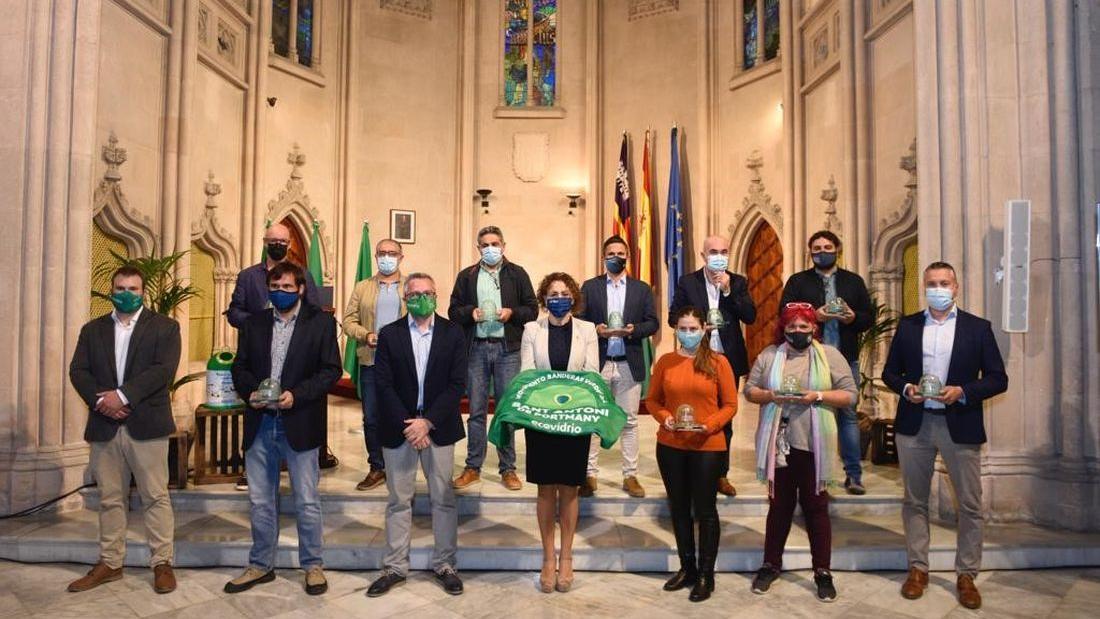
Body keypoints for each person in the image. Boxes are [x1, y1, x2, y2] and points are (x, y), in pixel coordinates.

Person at [882, 261, 1008, 610]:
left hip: (960, 423)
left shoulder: (978, 328)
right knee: (914, 501)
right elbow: (890, 372)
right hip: (915, 424)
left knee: (969, 504)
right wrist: (907, 389)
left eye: (944, 283)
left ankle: (966, 575)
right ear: (925, 288)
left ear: (956, 288)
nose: (938, 289)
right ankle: (918, 569)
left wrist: (964, 391)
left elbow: (999, 377)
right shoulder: (908, 326)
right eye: (932, 284)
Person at [225, 262, 342, 596]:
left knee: (306, 500)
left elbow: (331, 370)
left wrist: (297, 396)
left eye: (288, 287)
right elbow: (240, 366)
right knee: (261, 500)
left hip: (299, 421)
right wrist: (250, 393)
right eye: (275, 286)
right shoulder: (256, 323)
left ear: (301, 289)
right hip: (261, 422)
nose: (281, 292)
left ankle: (313, 565)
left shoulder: (320, 322)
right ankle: (260, 565)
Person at [67, 266, 181, 594]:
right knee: (110, 499)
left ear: (143, 291)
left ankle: (162, 563)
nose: (126, 294)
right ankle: (110, 563)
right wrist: (102, 401)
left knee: (155, 496)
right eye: (120, 288)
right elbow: (78, 370)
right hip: (105, 424)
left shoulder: (165, 327)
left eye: (133, 288)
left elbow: (163, 371)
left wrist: (122, 395)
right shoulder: (92, 330)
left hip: (146, 424)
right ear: (111, 290)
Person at [744, 302, 857, 603]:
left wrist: (817, 396)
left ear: (813, 329)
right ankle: (770, 565)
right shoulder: (770, 356)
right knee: (778, 506)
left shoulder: (829, 355)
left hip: (814, 443)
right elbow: (750, 390)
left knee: (816, 508)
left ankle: (822, 571)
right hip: (779, 444)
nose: (797, 332)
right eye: (791, 327)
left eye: (803, 327)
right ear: (783, 329)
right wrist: (771, 395)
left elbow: (850, 394)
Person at [368, 273, 468, 598]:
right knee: (399, 500)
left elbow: (457, 385)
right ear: (405, 299)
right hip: (400, 429)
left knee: (443, 498)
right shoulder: (389, 334)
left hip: (439, 428)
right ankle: (395, 567)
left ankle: (445, 565)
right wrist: (410, 424)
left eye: (426, 292)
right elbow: (382, 384)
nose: (420, 298)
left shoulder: (453, 333)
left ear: (436, 295)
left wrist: (428, 423)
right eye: (414, 294)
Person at [645, 306, 738, 602]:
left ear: (704, 329)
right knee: (679, 507)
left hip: (707, 446)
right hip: (671, 444)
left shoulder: (718, 362)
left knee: (706, 511)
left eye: (693, 328)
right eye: (683, 329)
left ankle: (706, 575)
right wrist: (665, 418)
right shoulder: (666, 362)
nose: (688, 334)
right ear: (676, 331)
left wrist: (709, 425)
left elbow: (731, 404)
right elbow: (652, 400)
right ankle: (688, 568)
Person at [226, 222, 321, 490]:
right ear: (265, 242)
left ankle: (294, 465)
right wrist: (261, 322)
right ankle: (253, 469)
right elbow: (234, 311)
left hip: (294, 359)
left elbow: (313, 310)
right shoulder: (248, 276)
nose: (277, 244)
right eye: (272, 240)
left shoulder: (302, 273)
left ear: (289, 244)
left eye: (282, 240)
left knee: (295, 415)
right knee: (258, 416)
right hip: (257, 357)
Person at [520, 273, 600, 593]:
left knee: (569, 488)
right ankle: (546, 557)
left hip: (574, 419)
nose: (558, 297)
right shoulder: (531, 330)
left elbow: (591, 375)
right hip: (541, 420)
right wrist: (547, 401)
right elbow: (527, 374)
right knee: (545, 490)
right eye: (552, 293)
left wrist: (569, 401)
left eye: (564, 292)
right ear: (543, 298)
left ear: (574, 297)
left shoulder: (588, 330)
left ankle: (566, 557)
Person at [780, 230, 872, 495]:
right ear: (810, 252)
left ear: (838, 249)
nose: (822, 251)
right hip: (808, 358)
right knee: (806, 416)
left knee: (847, 415)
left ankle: (853, 475)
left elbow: (868, 318)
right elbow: (784, 313)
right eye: (816, 248)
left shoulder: (853, 281)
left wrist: (853, 318)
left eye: (827, 247)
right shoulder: (799, 281)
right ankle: (813, 475)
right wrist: (814, 316)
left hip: (846, 357)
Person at [448, 226, 538, 491]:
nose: (490, 249)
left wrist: (512, 312)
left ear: (503, 245)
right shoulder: (467, 276)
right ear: (478, 248)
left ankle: (507, 469)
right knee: (475, 411)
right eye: (485, 244)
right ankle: (473, 466)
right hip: (475, 348)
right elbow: (453, 310)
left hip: (507, 349)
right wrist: (469, 313)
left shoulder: (517, 273)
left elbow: (532, 309)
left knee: (505, 411)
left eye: (495, 243)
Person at [669, 235, 756, 497]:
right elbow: (674, 315)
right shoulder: (688, 282)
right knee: (695, 414)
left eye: (724, 251)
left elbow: (750, 316)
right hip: (697, 356)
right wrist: (695, 324)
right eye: (713, 251)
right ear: (703, 255)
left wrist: (728, 291)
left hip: (728, 358)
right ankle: (694, 470)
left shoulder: (737, 281)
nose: (719, 255)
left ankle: (721, 475)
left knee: (724, 420)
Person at [576, 236, 659, 498]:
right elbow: (578, 319)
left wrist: (634, 331)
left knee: (629, 421)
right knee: (593, 419)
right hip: (598, 362)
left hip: (628, 362)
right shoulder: (590, 287)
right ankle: (589, 475)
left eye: (620, 253)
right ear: (604, 257)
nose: (616, 256)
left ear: (627, 256)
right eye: (611, 253)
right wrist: (596, 329)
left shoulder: (641, 289)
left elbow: (653, 323)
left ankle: (630, 475)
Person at [342, 238, 407, 490]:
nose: (387, 257)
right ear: (376, 256)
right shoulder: (362, 287)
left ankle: (400, 465)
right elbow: (348, 321)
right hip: (371, 360)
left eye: (392, 253)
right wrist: (364, 334)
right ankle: (377, 466)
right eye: (382, 253)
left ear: (401, 257)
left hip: (402, 362)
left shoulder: (410, 285)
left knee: (401, 415)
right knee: (371, 417)